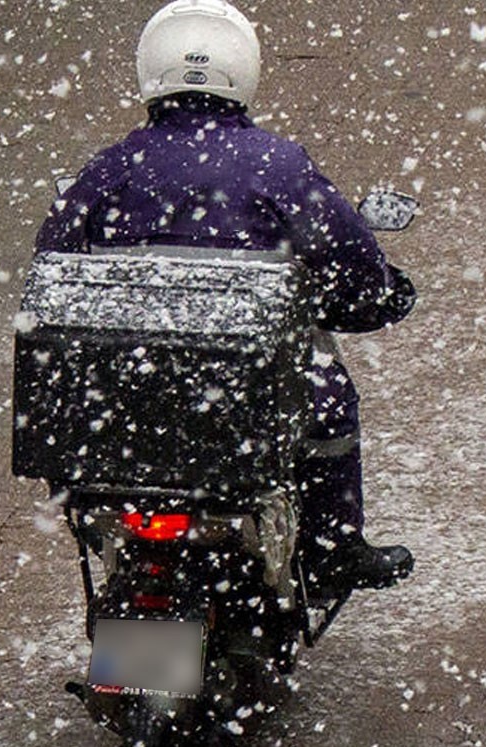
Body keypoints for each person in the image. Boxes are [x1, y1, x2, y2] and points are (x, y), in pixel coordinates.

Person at [35, 0, 415, 595]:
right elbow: (351, 257)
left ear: (149, 73)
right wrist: (382, 293)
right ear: (245, 71)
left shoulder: (111, 168)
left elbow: (52, 270)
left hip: (130, 397)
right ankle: (333, 549)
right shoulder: (278, 166)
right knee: (331, 402)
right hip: (249, 396)